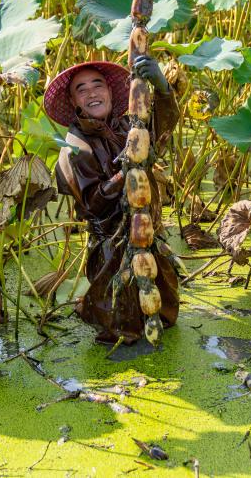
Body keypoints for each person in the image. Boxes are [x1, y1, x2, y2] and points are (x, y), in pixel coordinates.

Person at [44, 55, 180, 344]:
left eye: (98, 84)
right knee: (121, 324)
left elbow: (160, 132)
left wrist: (163, 87)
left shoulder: (124, 128)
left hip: (147, 232)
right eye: (82, 89)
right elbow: (94, 203)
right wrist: (126, 171)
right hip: (112, 246)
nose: (92, 92)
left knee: (165, 313)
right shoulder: (74, 147)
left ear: (109, 91)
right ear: (74, 102)